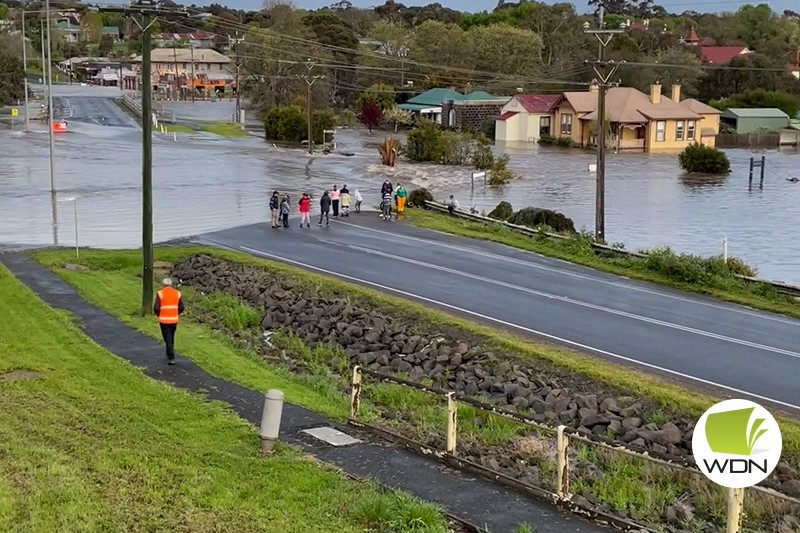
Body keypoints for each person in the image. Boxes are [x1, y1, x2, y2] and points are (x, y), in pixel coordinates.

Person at [153, 277, 185, 365]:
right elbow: (182, 307)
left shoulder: (160, 293)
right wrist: (176, 313)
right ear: (171, 284)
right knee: (171, 337)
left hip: (164, 320)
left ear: (163, 285)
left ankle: (171, 357)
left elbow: (156, 307)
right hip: (174, 320)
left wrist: (159, 314)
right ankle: (169, 352)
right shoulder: (177, 293)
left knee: (167, 338)